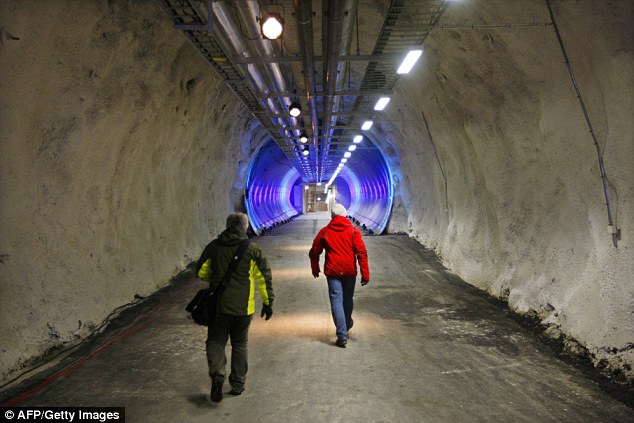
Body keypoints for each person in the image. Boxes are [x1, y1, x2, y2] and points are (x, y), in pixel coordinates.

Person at [195, 212, 274, 403]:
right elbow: (263, 278)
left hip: (219, 307)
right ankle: (237, 385)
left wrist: (215, 277)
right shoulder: (253, 249)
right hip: (243, 308)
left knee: (215, 341)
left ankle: (217, 374)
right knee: (240, 344)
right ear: (245, 227)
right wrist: (267, 302)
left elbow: (201, 271)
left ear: (227, 225)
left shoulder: (214, 246)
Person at [309, 204, 370, 348]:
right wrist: (365, 274)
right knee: (347, 299)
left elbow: (314, 251)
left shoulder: (325, 232)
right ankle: (347, 323)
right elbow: (361, 253)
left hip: (333, 272)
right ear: (345, 215)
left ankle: (342, 335)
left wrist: (315, 268)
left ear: (332, 216)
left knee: (336, 301)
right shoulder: (353, 231)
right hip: (349, 272)